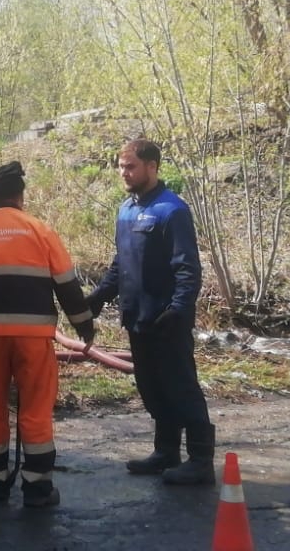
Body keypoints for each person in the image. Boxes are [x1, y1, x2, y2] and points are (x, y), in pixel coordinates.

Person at [0, 161, 94, 508]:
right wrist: (84, 326)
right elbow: (67, 285)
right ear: (20, 196)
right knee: (35, 408)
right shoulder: (39, 230)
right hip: (32, 338)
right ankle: (36, 487)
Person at [86, 139, 215, 485]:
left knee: (181, 387)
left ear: (152, 166)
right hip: (137, 317)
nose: (124, 173)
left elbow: (187, 268)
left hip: (166, 320)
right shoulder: (126, 210)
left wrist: (179, 309)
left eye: (131, 167)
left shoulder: (171, 210)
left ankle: (201, 460)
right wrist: (99, 296)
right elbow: (121, 263)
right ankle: (166, 452)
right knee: (152, 389)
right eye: (121, 166)